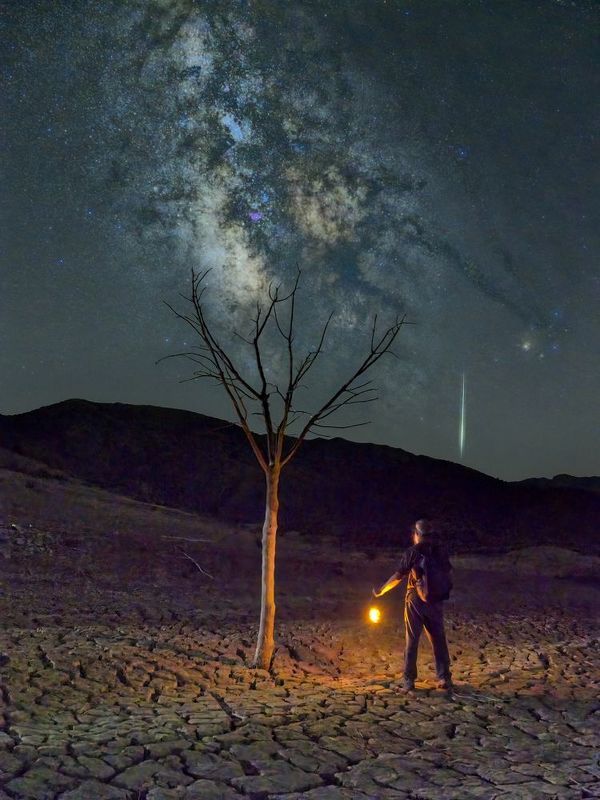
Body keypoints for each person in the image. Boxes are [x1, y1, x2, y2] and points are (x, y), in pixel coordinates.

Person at [373, 518, 453, 692]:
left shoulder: (413, 552)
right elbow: (448, 574)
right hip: (435, 601)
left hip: (415, 600)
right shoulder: (440, 551)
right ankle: (444, 677)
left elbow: (398, 576)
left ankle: (409, 681)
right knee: (438, 639)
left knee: (412, 640)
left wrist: (381, 590)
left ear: (417, 534)